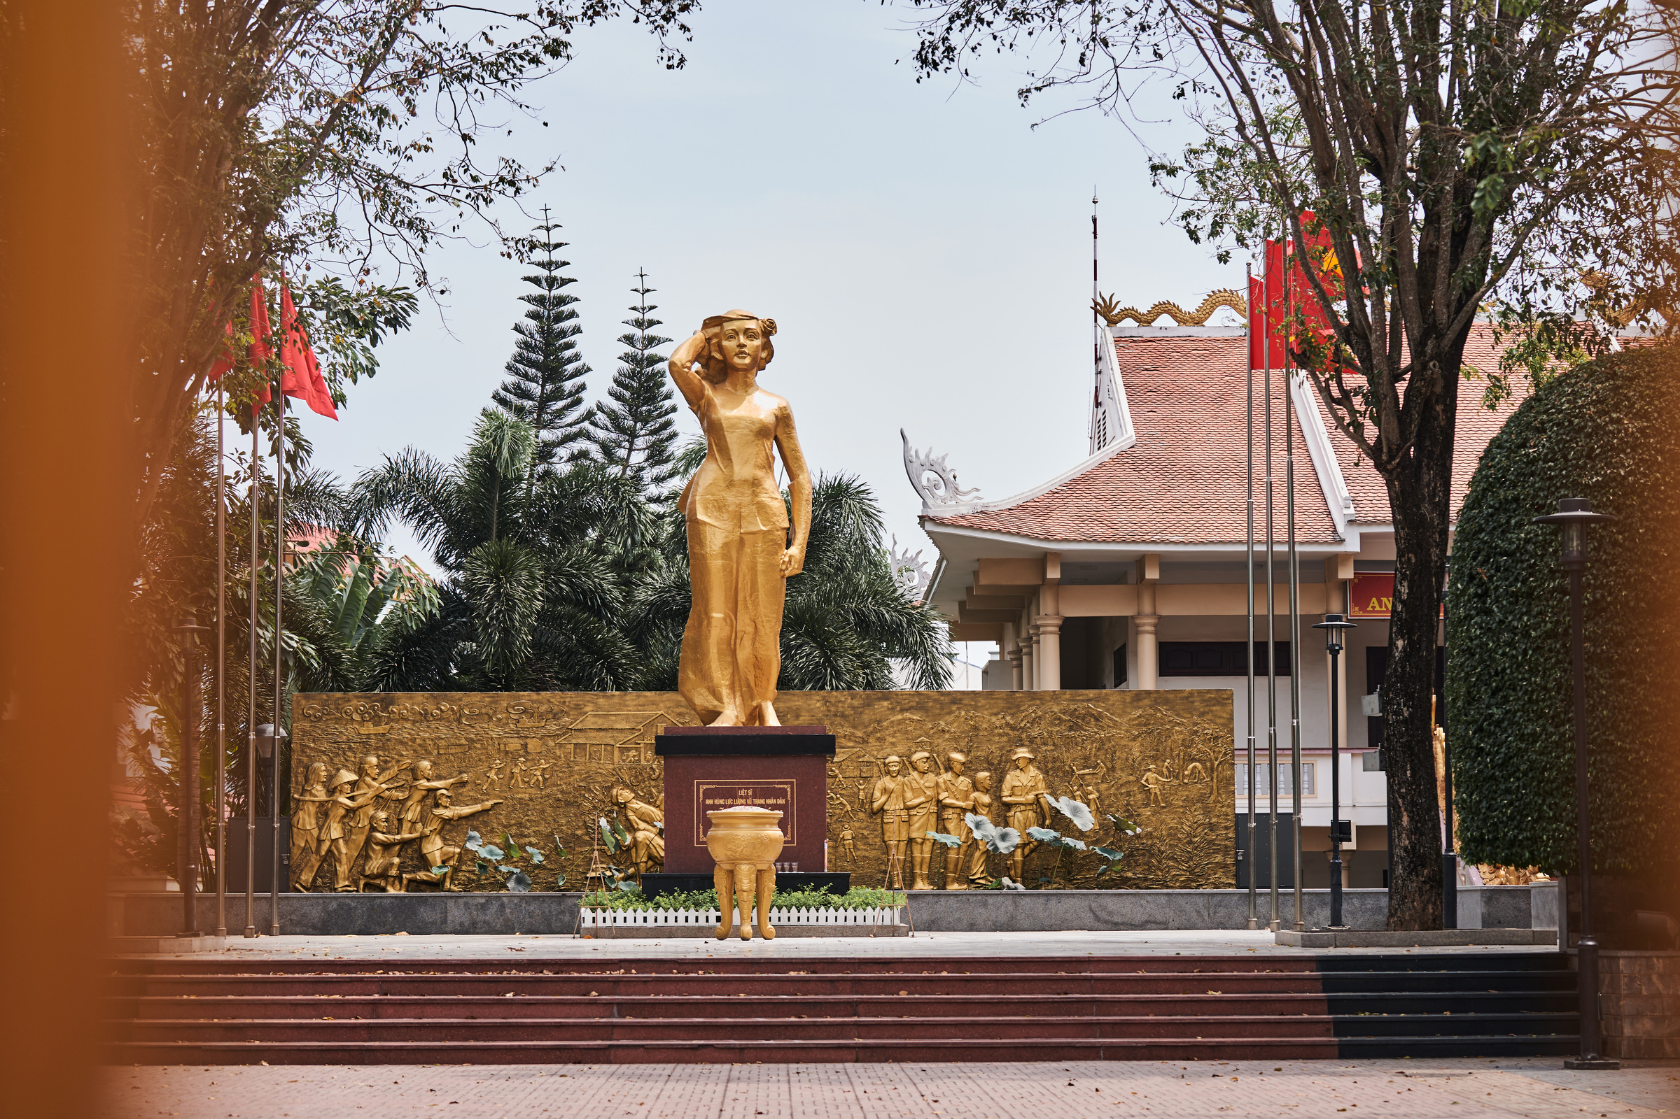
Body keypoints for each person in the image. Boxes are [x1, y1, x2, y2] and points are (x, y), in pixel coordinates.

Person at [666, 310, 813, 726]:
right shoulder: (706, 395)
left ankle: (762, 701)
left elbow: (800, 476)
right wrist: (704, 334)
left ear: (765, 347)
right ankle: (725, 706)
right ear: (718, 346)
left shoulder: (776, 406)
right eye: (731, 337)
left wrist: (799, 542)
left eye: (751, 336)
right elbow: (677, 364)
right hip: (712, 510)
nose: (743, 344)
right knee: (715, 613)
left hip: (765, 514)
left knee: (764, 616)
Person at [400, 788, 504, 892]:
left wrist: (482, 805)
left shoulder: (444, 810)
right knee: (437, 878)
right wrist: (481, 808)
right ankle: (407, 877)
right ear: (439, 801)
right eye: (446, 798)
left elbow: (459, 809)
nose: (449, 800)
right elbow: (458, 814)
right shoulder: (437, 812)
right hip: (429, 847)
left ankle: (447, 885)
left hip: (436, 844)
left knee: (455, 852)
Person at [342, 754, 411, 886]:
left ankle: (346, 878)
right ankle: (342, 879)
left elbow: (380, 780)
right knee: (352, 852)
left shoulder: (368, 781)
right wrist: (400, 796)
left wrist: (396, 769)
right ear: (367, 769)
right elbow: (383, 792)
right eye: (375, 768)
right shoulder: (364, 782)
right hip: (361, 821)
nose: (377, 770)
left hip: (368, 819)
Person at [1000, 747, 1051, 883]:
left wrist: (1047, 816)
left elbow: (1041, 797)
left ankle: (1013, 862)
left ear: (1027, 759)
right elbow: (1004, 798)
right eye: (1015, 760)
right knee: (1019, 844)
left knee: (1036, 841)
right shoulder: (1011, 776)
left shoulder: (1037, 776)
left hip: (1031, 813)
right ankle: (1018, 880)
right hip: (1017, 813)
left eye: (1019, 759)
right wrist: (1023, 800)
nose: (1017, 762)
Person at [288, 762, 332, 891]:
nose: (325, 774)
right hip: (301, 823)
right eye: (322, 771)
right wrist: (330, 799)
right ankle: (281, 874)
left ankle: (308, 879)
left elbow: (322, 811)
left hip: (311, 824)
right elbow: (317, 799)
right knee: (299, 848)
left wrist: (329, 802)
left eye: (325, 771)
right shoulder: (310, 789)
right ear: (315, 773)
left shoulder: (320, 790)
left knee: (319, 850)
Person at [357, 810, 423, 893]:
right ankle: (388, 888)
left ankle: (365, 880)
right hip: (373, 868)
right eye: (383, 822)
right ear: (374, 823)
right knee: (394, 861)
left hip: (380, 865)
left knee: (397, 889)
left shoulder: (377, 835)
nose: (386, 825)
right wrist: (419, 835)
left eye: (386, 822)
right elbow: (396, 839)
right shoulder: (375, 836)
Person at [937, 752, 976, 890]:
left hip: (965, 819)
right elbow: (944, 800)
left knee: (963, 848)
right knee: (954, 848)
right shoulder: (942, 780)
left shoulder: (967, 782)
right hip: (951, 817)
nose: (963, 768)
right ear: (952, 764)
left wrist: (971, 825)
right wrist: (962, 805)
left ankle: (956, 880)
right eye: (961, 764)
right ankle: (949, 882)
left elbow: (971, 803)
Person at [870, 755, 909, 888]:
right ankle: (894, 881)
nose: (893, 768)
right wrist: (886, 795)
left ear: (900, 766)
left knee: (902, 852)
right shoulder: (881, 784)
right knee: (892, 851)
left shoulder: (905, 782)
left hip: (903, 818)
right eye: (891, 766)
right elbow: (874, 808)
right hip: (888, 818)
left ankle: (900, 879)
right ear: (886, 768)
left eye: (896, 765)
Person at [904, 750, 941, 890]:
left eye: (927, 762)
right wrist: (923, 799)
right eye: (923, 762)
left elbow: (939, 797)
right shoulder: (908, 780)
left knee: (929, 844)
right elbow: (907, 803)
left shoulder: (933, 779)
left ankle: (925, 881)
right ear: (915, 764)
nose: (927, 765)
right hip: (917, 816)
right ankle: (916, 881)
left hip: (931, 815)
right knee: (917, 844)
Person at [613, 786, 666, 880]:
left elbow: (657, 813)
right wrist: (659, 828)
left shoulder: (639, 803)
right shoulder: (630, 813)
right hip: (657, 834)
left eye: (625, 789)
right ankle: (640, 882)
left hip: (664, 834)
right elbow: (639, 826)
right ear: (621, 799)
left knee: (648, 852)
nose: (627, 791)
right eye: (623, 792)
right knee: (640, 837)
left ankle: (623, 877)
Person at [966, 771, 996, 886]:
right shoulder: (974, 796)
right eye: (988, 780)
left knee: (985, 849)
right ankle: (975, 875)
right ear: (981, 782)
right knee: (981, 849)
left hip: (988, 826)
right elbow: (968, 811)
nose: (990, 782)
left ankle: (982, 873)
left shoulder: (986, 795)